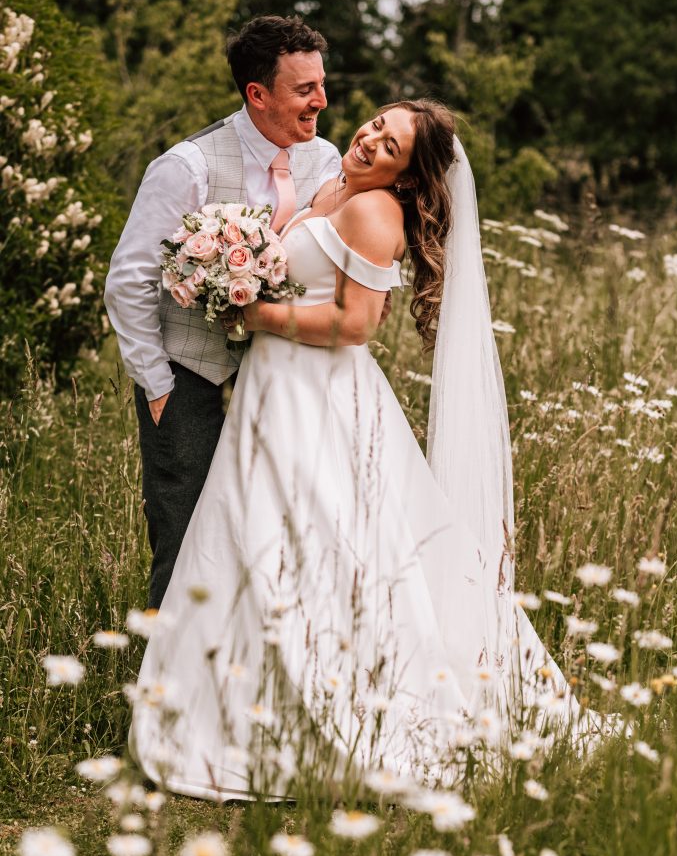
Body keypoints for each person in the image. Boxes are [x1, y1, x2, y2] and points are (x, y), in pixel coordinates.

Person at [128, 100, 609, 802]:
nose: (370, 139)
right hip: (273, 388)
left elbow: (357, 323)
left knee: (320, 538)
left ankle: (339, 710)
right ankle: (244, 706)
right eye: (377, 125)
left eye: (391, 147)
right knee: (254, 533)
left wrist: (253, 311)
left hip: (317, 395)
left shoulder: (374, 211)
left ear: (408, 178)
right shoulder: (330, 187)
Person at [104, 16, 342, 609]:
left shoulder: (328, 160)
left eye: (320, 83)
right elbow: (129, 280)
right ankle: (166, 684)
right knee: (184, 534)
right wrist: (157, 383)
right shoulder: (188, 166)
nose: (322, 99)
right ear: (257, 94)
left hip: (285, 370)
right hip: (189, 369)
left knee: (281, 521)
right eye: (304, 89)